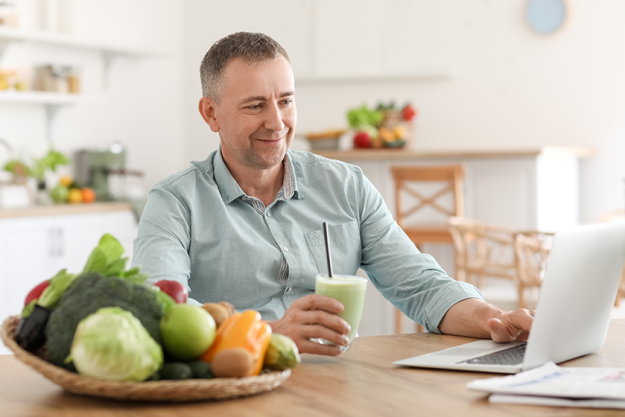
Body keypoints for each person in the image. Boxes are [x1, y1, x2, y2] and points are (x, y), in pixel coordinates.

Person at [132, 32, 533, 356]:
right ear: (210, 113)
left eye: (286, 101)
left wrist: (492, 319)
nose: (277, 122)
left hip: (338, 385)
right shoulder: (175, 202)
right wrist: (272, 332)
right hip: (235, 388)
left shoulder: (345, 185)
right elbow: (160, 310)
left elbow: (419, 283)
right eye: (255, 106)